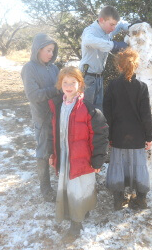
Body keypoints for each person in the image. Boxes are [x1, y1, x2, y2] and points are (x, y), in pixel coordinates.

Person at [48, 66, 108, 240]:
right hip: (65, 156)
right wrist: (53, 154)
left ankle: (76, 224)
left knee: (80, 187)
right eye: (65, 82)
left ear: (80, 84)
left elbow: (99, 134)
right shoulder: (58, 105)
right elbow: (53, 132)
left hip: (82, 158)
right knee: (71, 188)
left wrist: (98, 160)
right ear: (60, 84)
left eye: (72, 82)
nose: (68, 86)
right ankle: (76, 212)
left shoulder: (87, 108)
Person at [103, 48, 152, 211]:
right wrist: (149, 136)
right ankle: (141, 199)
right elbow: (146, 115)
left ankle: (118, 200)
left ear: (118, 66)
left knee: (118, 165)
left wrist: (108, 135)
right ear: (136, 65)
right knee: (139, 167)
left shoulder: (112, 85)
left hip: (118, 135)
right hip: (138, 136)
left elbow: (107, 114)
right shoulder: (142, 87)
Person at [21, 33, 59, 202]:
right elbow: (33, 95)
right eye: (48, 50)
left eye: (53, 51)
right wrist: (55, 90)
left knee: (59, 148)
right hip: (42, 117)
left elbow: (62, 87)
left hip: (57, 115)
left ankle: (64, 182)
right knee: (43, 152)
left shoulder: (54, 68)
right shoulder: (29, 68)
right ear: (38, 49)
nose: (51, 54)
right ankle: (46, 189)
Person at [79, 5, 129, 110]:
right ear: (101, 20)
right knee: (86, 111)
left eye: (114, 25)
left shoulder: (108, 29)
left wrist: (131, 26)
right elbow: (89, 41)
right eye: (111, 25)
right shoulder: (90, 31)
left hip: (99, 78)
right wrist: (114, 46)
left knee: (98, 111)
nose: (113, 28)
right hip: (88, 79)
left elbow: (121, 24)